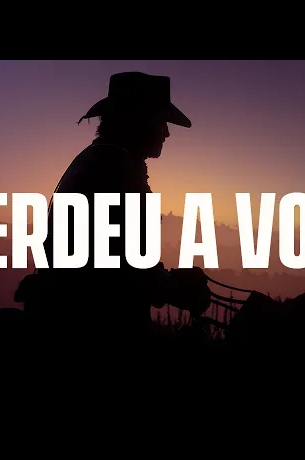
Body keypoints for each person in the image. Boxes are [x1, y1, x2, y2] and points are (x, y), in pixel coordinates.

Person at [19, 71, 211, 344]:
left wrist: (166, 279)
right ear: (135, 120)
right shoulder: (115, 170)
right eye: (160, 121)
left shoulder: (98, 161)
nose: (167, 132)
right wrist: (174, 287)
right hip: (96, 332)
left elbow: (115, 259)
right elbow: (115, 274)